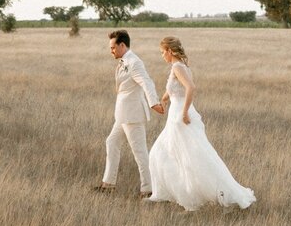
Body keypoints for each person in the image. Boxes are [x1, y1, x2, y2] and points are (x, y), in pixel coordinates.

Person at [147, 36, 255, 211]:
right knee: (163, 154)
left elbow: (190, 88)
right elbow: (175, 90)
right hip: (175, 114)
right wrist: (164, 100)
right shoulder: (180, 66)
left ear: (169, 51)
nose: (162, 56)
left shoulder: (177, 67)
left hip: (180, 117)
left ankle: (192, 199)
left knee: (188, 157)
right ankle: (164, 194)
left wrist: (184, 113)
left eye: (162, 52)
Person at [95, 30, 164, 198]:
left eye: (113, 47)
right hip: (123, 114)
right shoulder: (124, 61)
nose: (111, 51)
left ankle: (148, 190)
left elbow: (146, 82)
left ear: (122, 45)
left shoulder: (134, 62)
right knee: (111, 142)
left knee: (140, 153)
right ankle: (108, 184)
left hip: (132, 115)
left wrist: (153, 102)